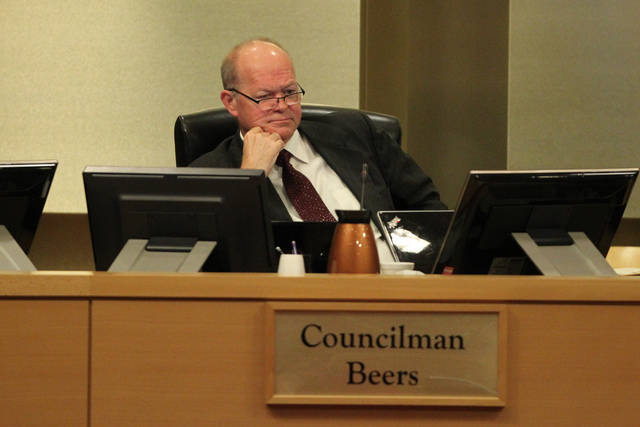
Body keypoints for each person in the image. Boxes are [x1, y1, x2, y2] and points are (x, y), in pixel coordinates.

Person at [190, 38, 447, 260]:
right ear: (231, 102)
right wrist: (250, 177)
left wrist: (418, 267)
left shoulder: (356, 133)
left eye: (289, 92)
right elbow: (219, 259)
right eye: (265, 97)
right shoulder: (208, 174)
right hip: (296, 294)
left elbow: (428, 207)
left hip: (397, 282)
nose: (282, 105)